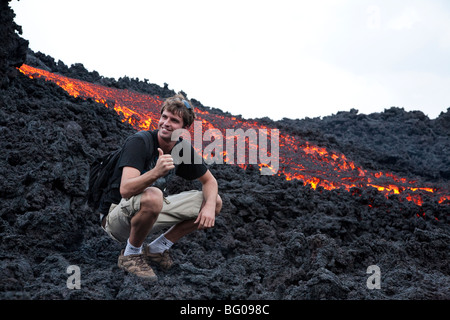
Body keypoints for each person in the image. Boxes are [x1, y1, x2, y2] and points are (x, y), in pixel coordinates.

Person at [99, 93, 222, 281]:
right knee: (155, 195)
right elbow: (125, 189)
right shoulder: (140, 142)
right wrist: (155, 173)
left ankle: (157, 249)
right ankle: (131, 254)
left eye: (174, 120)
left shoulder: (182, 149)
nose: (166, 123)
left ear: (184, 129)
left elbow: (210, 181)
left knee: (214, 201)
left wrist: (209, 209)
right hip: (115, 218)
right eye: (164, 116)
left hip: (147, 212)